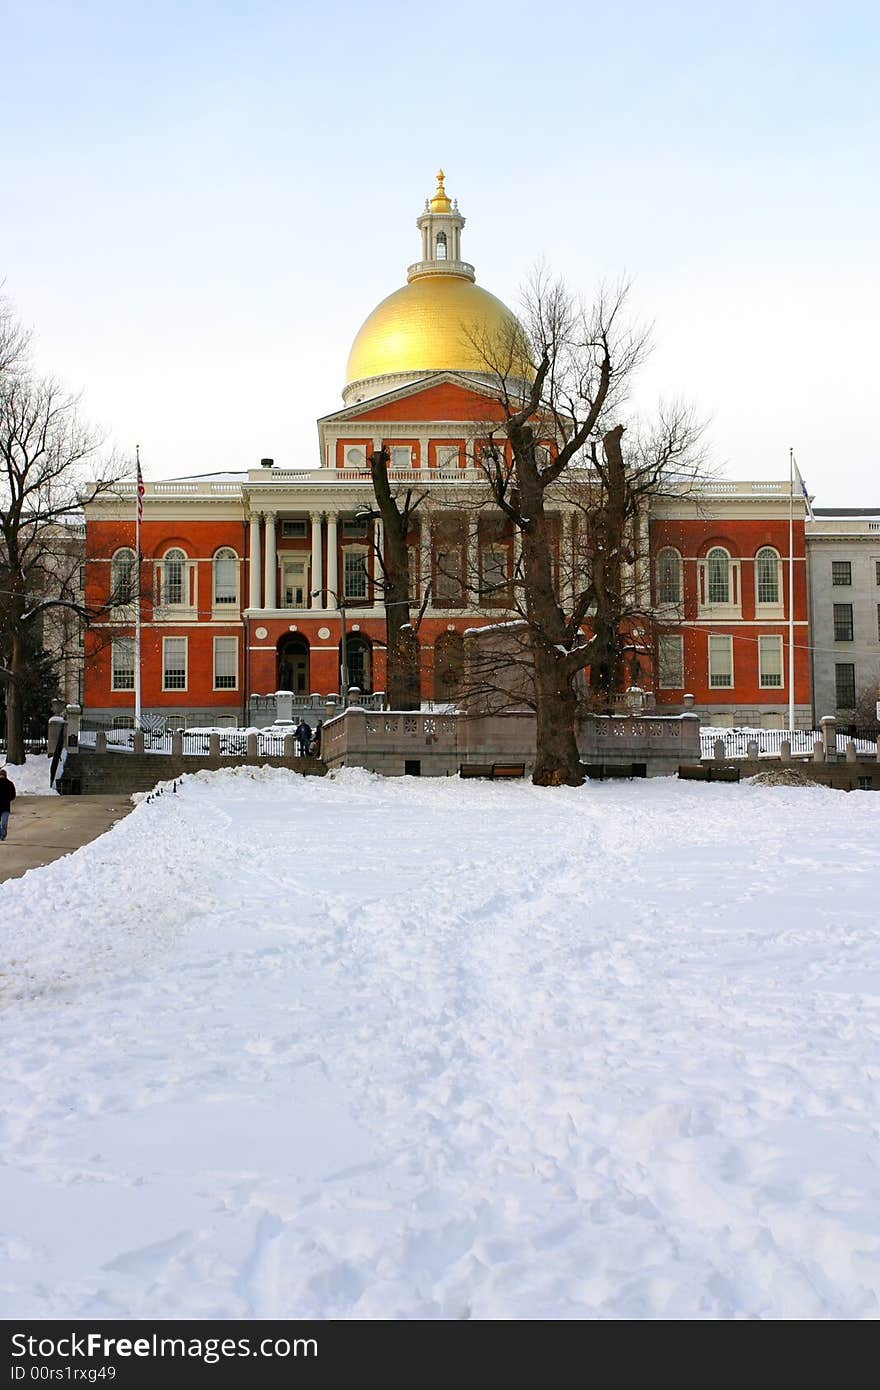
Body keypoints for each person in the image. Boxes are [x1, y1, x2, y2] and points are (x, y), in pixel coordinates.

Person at [0, 768, 16, 841]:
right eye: (0, 775)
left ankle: (3, 835)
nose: (1, 777)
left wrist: (7, 799)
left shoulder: (9, 784)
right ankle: (2, 834)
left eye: (2, 775)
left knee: (4, 823)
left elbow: (13, 795)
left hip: (6, 807)